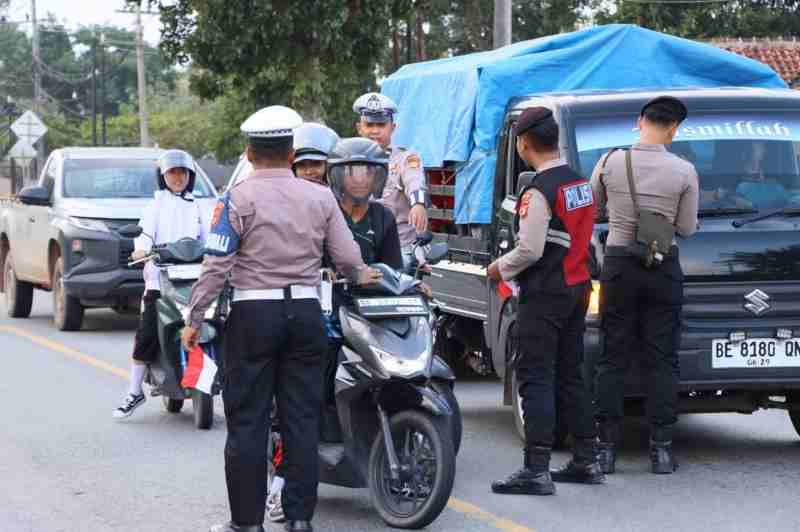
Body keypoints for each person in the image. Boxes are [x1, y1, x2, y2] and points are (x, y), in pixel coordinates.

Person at [181, 105, 379, 532]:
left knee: (248, 421)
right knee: (301, 419)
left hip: (253, 316)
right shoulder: (321, 197)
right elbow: (348, 260)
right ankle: (299, 519)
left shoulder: (236, 199)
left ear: (249, 154)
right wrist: (365, 275)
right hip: (306, 315)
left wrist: (194, 317)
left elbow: (216, 265)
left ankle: (247, 523)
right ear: (291, 155)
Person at [266, 137, 403, 523]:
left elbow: (394, 268)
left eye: (368, 171)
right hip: (325, 315)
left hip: (372, 316)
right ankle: (279, 485)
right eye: (352, 171)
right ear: (338, 176)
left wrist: (411, 281)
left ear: (378, 177)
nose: (360, 179)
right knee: (306, 397)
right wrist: (320, 273)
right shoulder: (321, 209)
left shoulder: (383, 218)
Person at [487, 107, 604, 496]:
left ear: (523, 144)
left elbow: (530, 249)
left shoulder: (539, 190)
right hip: (577, 287)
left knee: (535, 376)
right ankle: (586, 459)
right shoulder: (579, 183)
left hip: (545, 292)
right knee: (571, 374)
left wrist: (498, 269)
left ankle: (536, 469)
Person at [590, 96, 699, 475]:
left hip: (619, 265)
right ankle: (662, 450)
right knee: (662, 359)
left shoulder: (609, 161)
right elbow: (686, 227)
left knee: (612, 357)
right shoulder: (684, 170)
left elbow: (593, 207)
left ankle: (606, 450)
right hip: (662, 266)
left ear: (640, 121)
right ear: (673, 129)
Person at [112, 149, 208, 419]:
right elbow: (143, 235)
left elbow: (210, 237)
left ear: (190, 176)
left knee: (222, 323)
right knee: (147, 335)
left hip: (195, 280)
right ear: (162, 176)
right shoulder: (154, 206)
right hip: (161, 281)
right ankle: (134, 391)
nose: (178, 177)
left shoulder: (200, 206)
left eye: (182, 172)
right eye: (172, 173)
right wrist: (141, 250)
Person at [353, 92, 429, 266]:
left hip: (399, 247)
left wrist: (418, 204)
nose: (375, 131)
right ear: (359, 128)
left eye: (381, 124)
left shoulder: (405, 158)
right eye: (369, 124)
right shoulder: (349, 161)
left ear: (392, 127)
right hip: (358, 247)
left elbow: (415, 180)